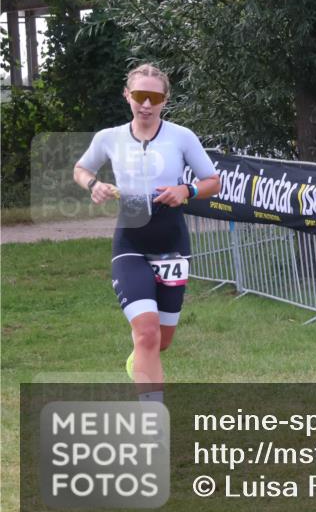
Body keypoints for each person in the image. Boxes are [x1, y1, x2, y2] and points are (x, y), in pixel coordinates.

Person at [73, 63, 220, 402]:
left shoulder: (182, 136)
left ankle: (138, 360)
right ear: (127, 96)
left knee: (161, 340)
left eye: (154, 97)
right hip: (130, 242)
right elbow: (81, 169)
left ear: (165, 101)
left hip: (171, 243)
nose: (146, 104)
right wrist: (94, 184)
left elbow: (213, 182)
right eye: (140, 96)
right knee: (147, 332)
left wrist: (187, 191)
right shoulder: (108, 138)